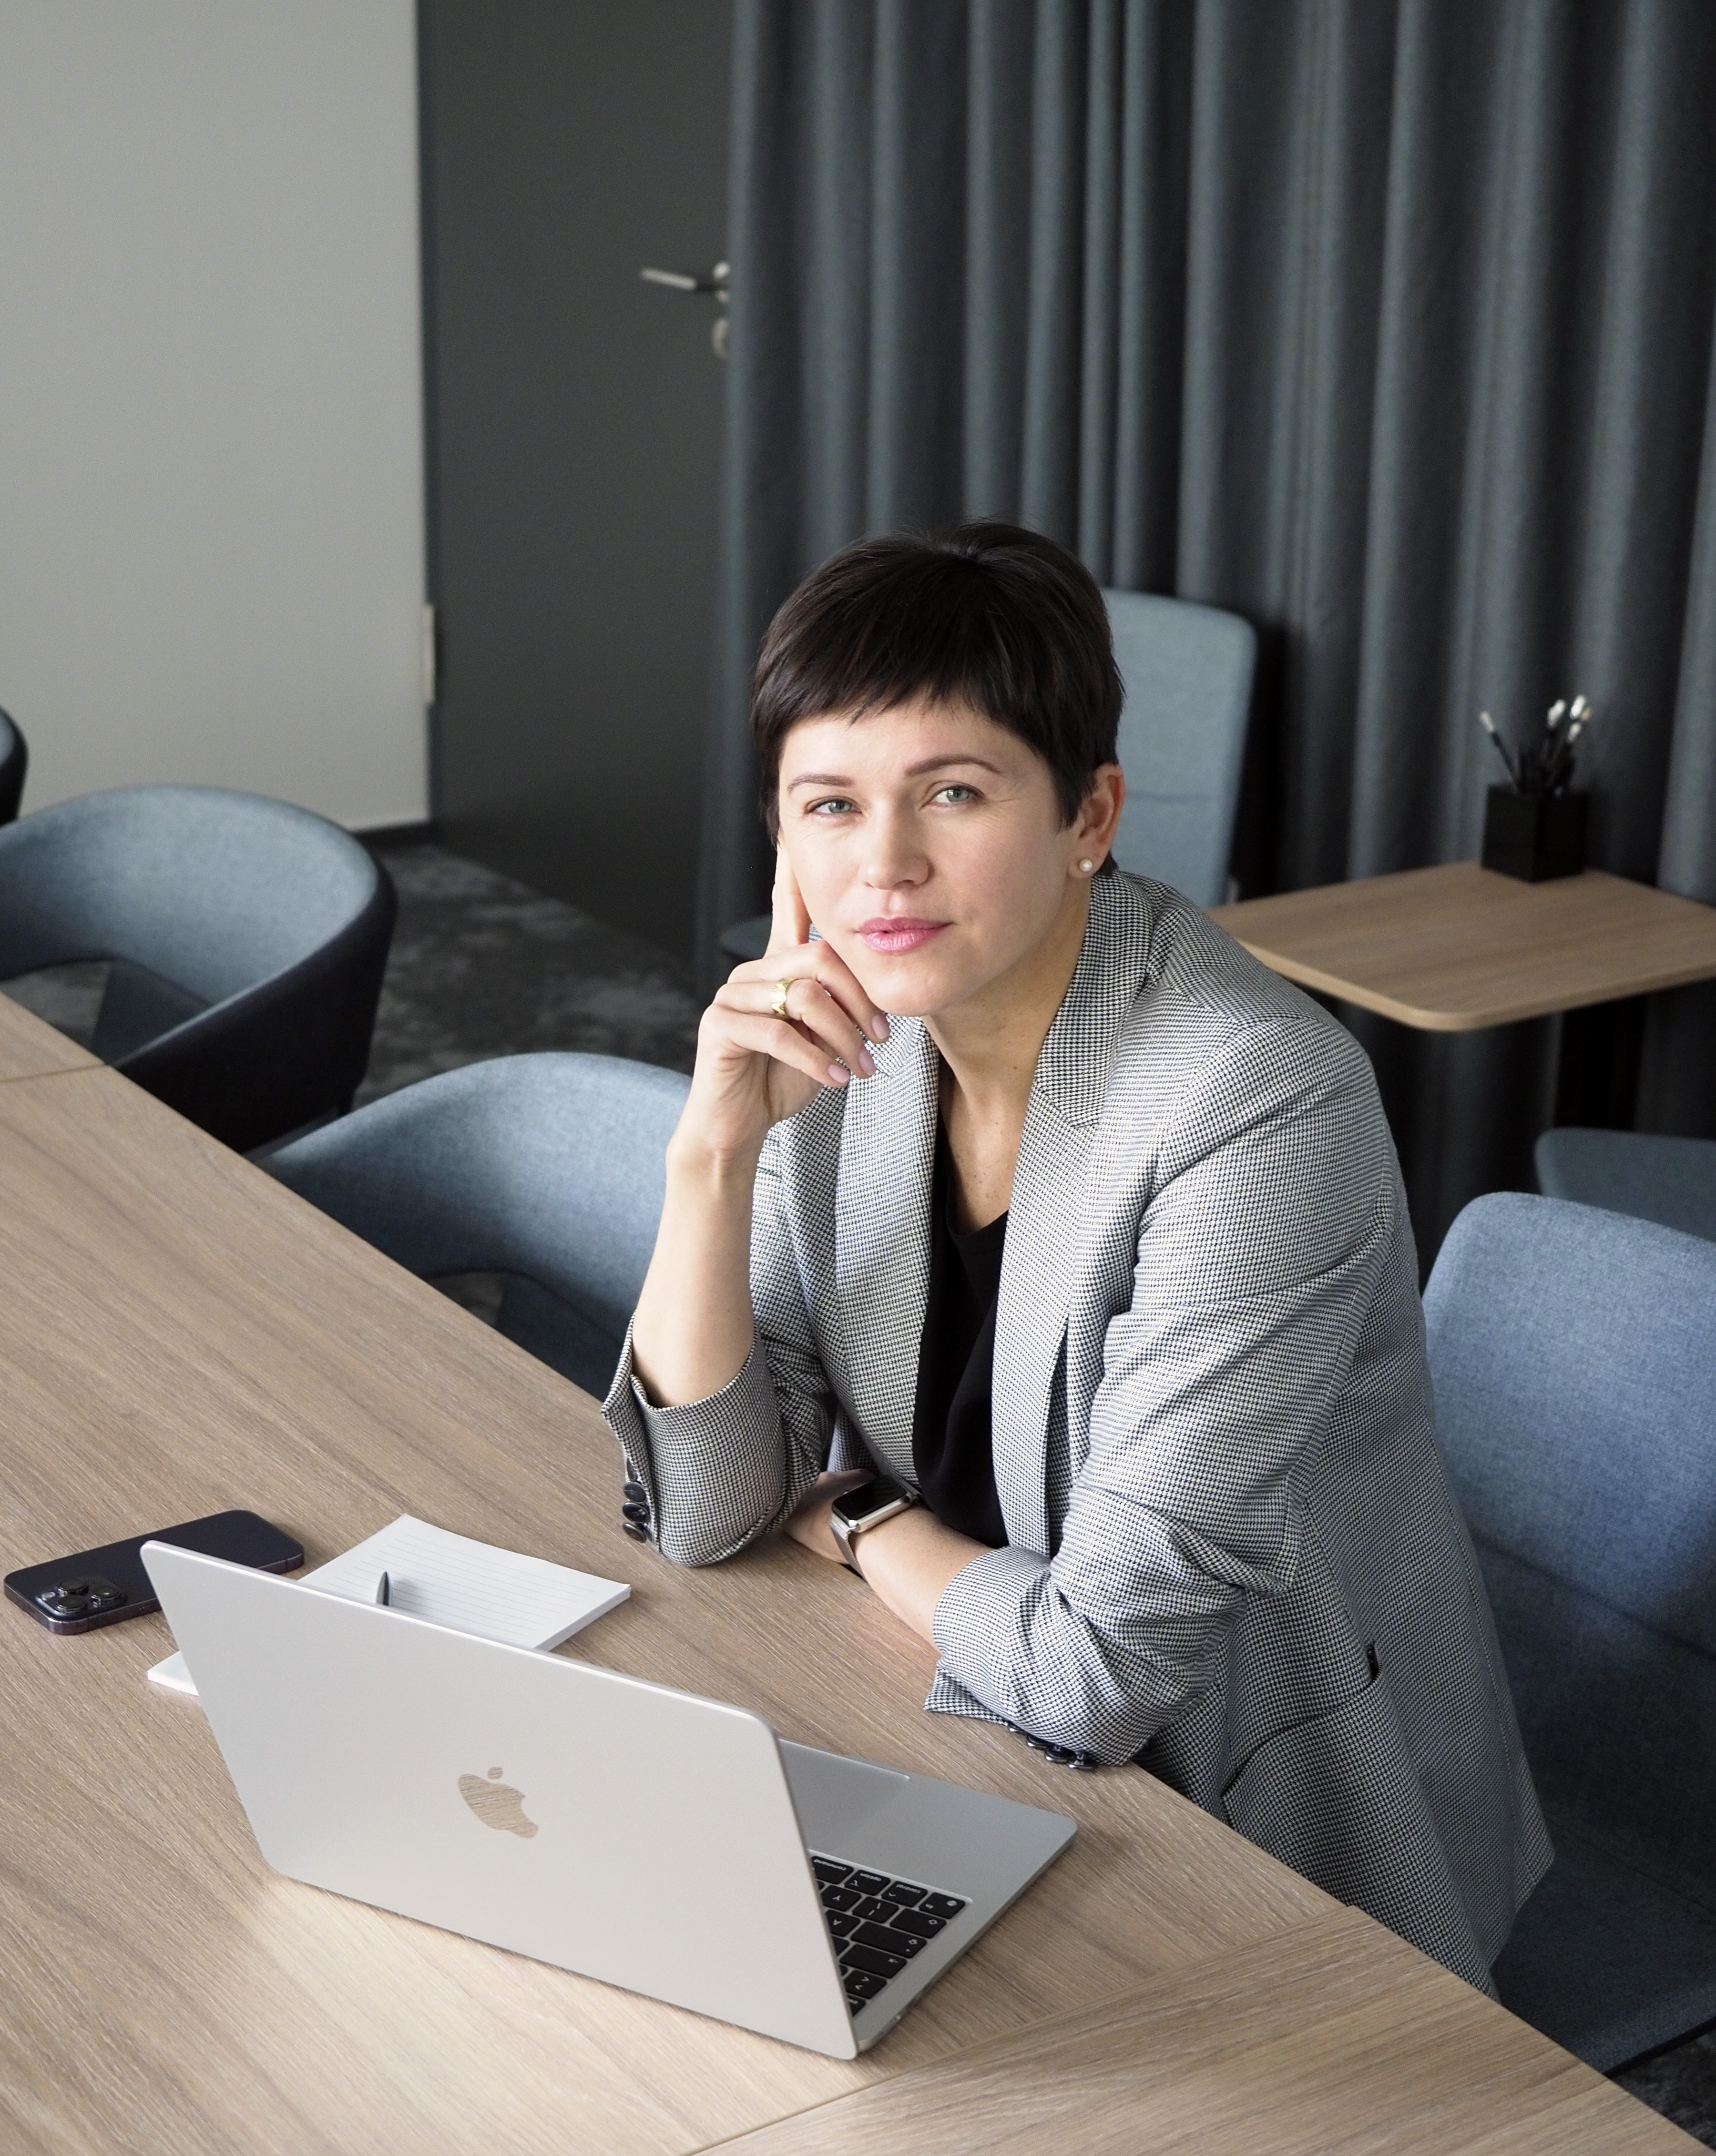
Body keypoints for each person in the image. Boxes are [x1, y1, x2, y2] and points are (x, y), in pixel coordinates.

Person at [603, 520, 1550, 1991]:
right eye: (830, 805)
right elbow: (714, 1506)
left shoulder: (1254, 1099)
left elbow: (1095, 1670)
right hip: (962, 1724)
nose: (885, 865)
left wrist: (855, 1516)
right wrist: (713, 1152)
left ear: (1089, 814)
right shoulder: (842, 1037)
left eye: (954, 792)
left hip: (1255, 1832)